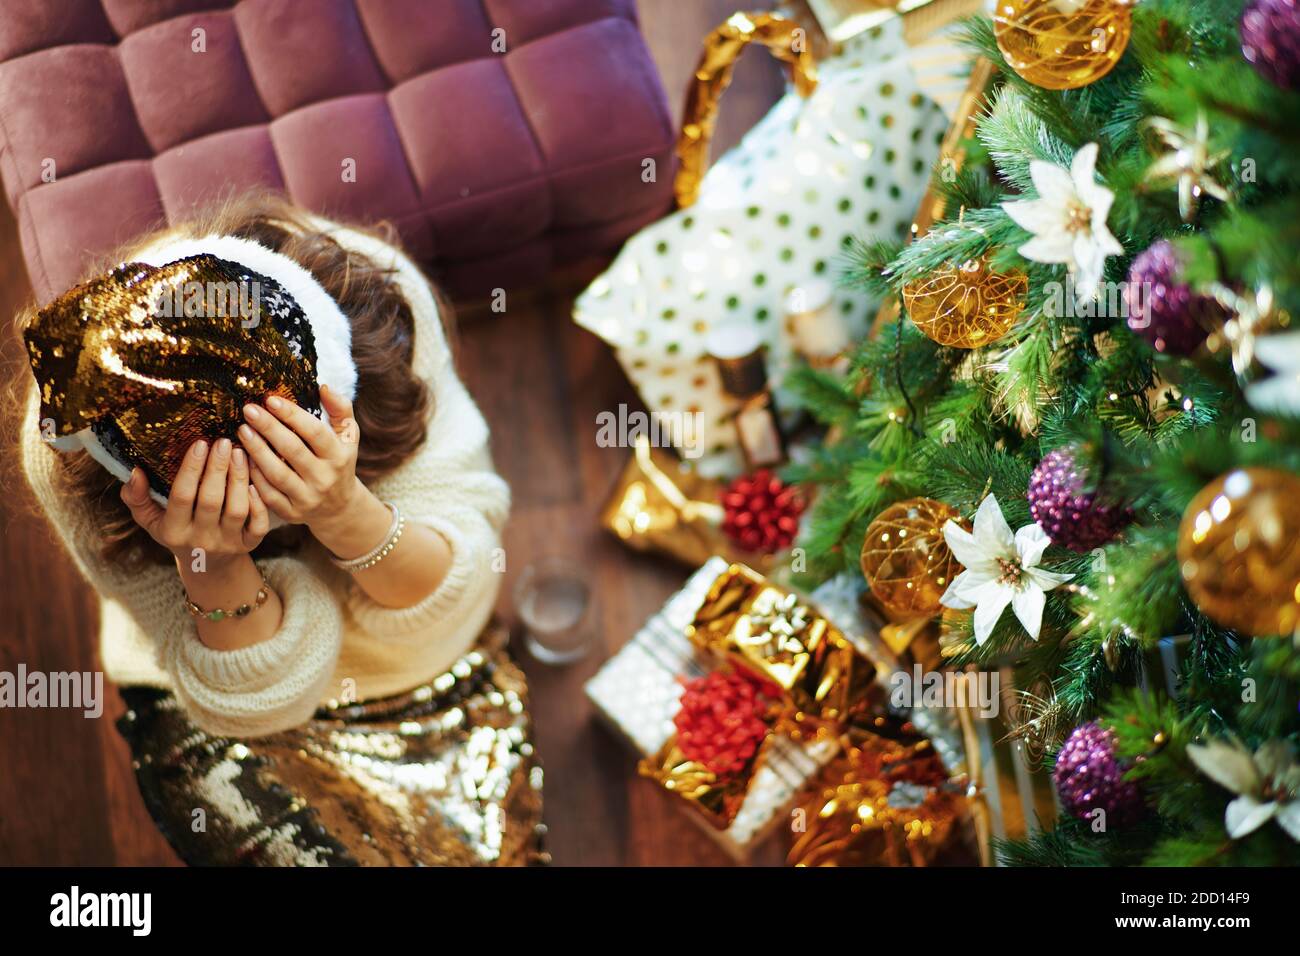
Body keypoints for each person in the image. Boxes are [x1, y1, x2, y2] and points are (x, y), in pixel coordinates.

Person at [16, 195, 544, 866]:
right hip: (219, 690)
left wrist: (344, 511)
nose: (265, 507)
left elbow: (450, 606)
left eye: (284, 474)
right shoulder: (72, 435)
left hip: (416, 654)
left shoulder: (378, 300)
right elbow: (254, 710)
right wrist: (210, 563)